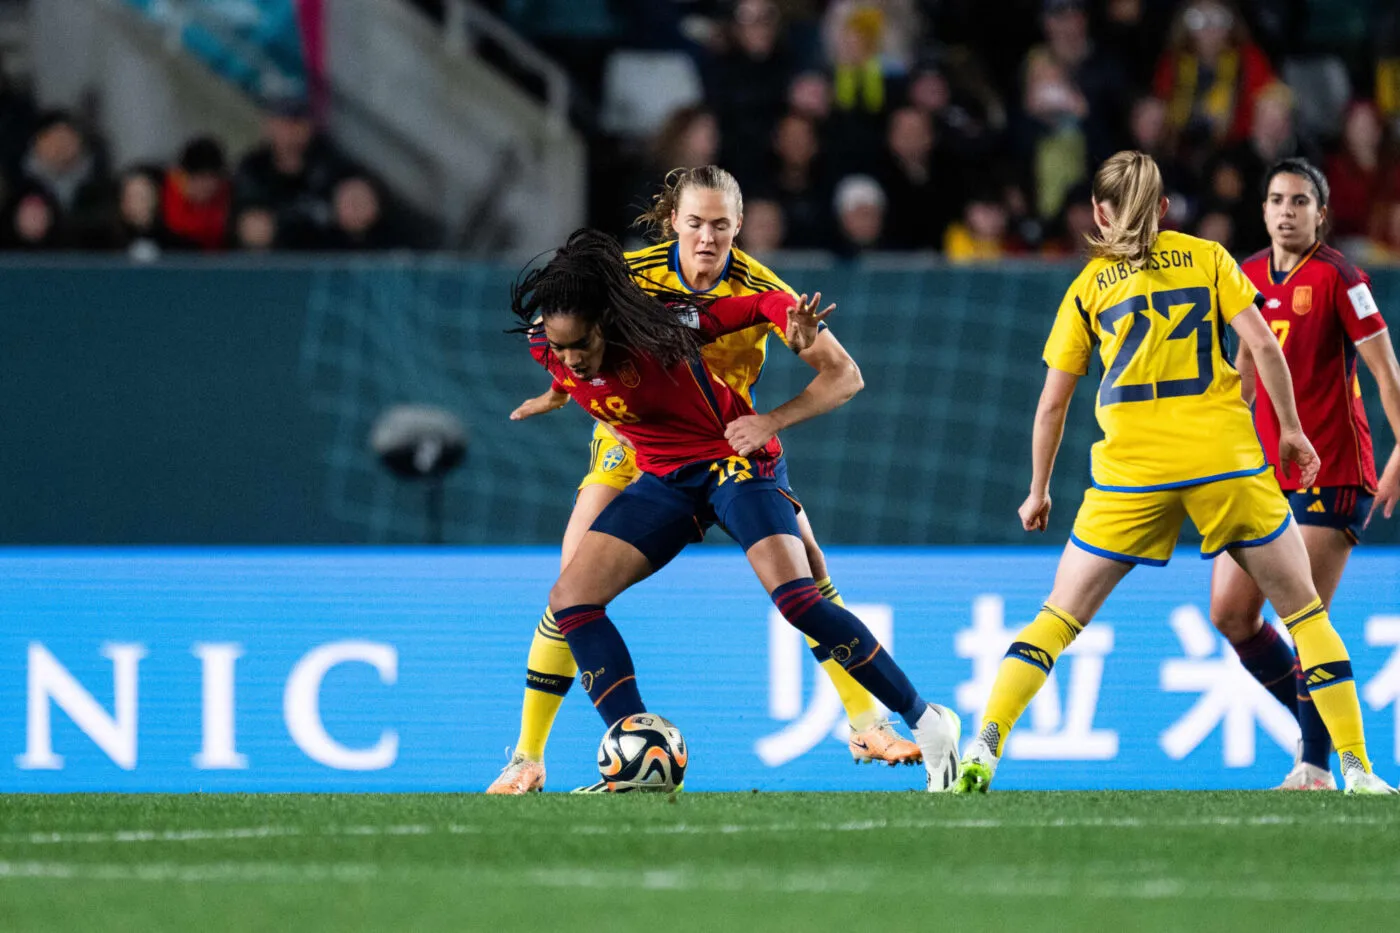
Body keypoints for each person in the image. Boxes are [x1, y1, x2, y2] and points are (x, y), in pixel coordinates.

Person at [954, 150, 1394, 795]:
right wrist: (1292, 431)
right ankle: (1355, 768)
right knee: (1305, 616)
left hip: (1131, 475)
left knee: (1058, 617)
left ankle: (986, 745)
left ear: (1099, 212)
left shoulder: (1088, 287)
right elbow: (1263, 345)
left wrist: (1038, 489)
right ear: (1164, 207)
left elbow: (1052, 404)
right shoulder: (1208, 257)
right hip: (1224, 463)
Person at [488, 166, 918, 795]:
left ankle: (867, 722)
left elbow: (845, 374)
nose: (707, 238)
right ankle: (528, 757)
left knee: (807, 570)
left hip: (725, 442)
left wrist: (774, 410)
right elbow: (565, 330)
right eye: (694, 223)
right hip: (633, 440)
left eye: (720, 225)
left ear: (739, 226)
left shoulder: (765, 290)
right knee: (572, 584)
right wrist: (563, 383)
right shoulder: (628, 279)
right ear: (673, 223)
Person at [1211, 158, 1400, 790]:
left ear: (1322, 213)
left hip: (1333, 469)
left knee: (1304, 615)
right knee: (1231, 614)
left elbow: (1386, 375)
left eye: (1299, 201)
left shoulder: (1342, 277)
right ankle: (1321, 728)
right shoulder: (1246, 275)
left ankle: (1316, 765)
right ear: (1263, 210)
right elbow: (1243, 368)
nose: (1286, 212)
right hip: (1262, 473)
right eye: (1276, 200)